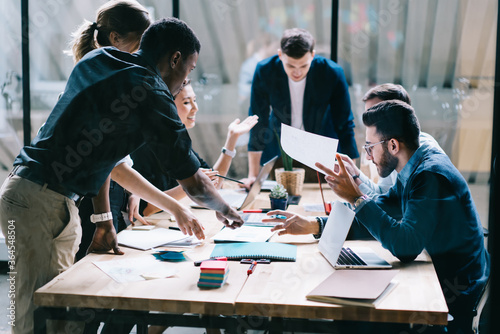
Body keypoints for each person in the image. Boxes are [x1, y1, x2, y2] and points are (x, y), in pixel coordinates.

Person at [0, 17, 243, 333]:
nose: (186, 80)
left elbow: (113, 164)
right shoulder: (151, 91)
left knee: (59, 315)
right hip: (43, 202)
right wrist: (227, 211)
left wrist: (104, 221)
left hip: (29, 193)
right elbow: (194, 182)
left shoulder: (100, 59)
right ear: (175, 59)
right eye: (190, 70)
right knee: (40, 318)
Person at [268, 100, 490, 333]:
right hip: (436, 275)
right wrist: (315, 225)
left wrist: (356, 198)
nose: (368, 157)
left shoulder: (430, 175)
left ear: (393, 145)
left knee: (356, 319)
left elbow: (405, 247)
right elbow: (385, 208)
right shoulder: (413, 167)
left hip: (453, 295)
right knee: (350, 312)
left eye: (370, 147)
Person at [245, 28, 359, 186]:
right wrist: (253, 175)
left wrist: (351, 176)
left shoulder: (332, 73)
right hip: (280, 153)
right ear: (280, 55)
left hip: (321, 152)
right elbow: (258, 120)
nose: (297, 72)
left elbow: (344, 124)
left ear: (313, 55)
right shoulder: (265, 71)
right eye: (290, 66)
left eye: (304, 66)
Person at [130, 81, 259, 217]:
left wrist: (232, 139)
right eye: (186, 102)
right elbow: (146, 209)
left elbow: (212, 184)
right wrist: (191, 185)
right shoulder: (144, 147)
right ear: (166, 106)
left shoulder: (178, 142)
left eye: (195, 100)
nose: (195, 108)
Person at [338, 83, 445, 199]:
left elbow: (394, 211)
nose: (369, 122)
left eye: (375, 114)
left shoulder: (417, 158)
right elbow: (384, 195)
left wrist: (354, 196)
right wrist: (355, 174)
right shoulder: (391, 153)